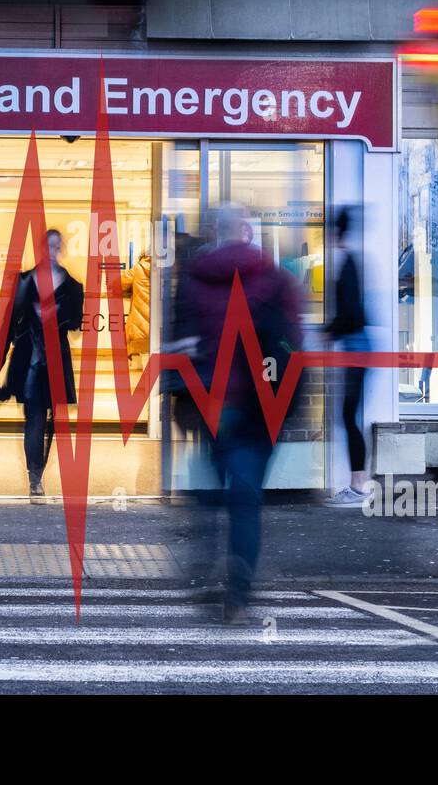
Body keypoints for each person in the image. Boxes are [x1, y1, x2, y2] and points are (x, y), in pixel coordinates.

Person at [183, 205, 302, 622]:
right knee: (246, 499)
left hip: (213, 404)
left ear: (216, 232)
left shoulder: (195, 278)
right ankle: (238, 589)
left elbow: (183, 343)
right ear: (247, 232)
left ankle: (203, 563)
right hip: (259, 404)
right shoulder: (274, 278)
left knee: (212, 487)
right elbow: (293, 343)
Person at [0, 229, 84, 498]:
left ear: (61, 249)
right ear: (41, 249)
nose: (52, 252)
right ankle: (35, 477)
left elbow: (76, 323)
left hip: (55, 359)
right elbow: (7, 324)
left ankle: (37, 471)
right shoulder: (23, 281)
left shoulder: (72, 286)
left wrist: (56, 315)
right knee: (35, 419)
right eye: (48, 247)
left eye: (57, 247)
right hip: (29, 359)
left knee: (54, 420)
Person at [326, 206, 371, 506]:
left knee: (348, 415)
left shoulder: (349, 265)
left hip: (357, 349)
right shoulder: (351, 262)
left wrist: (327, 333)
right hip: (357, 348)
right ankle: (358, 482)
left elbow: (352, 314)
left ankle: (359, 485)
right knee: (348, 415)